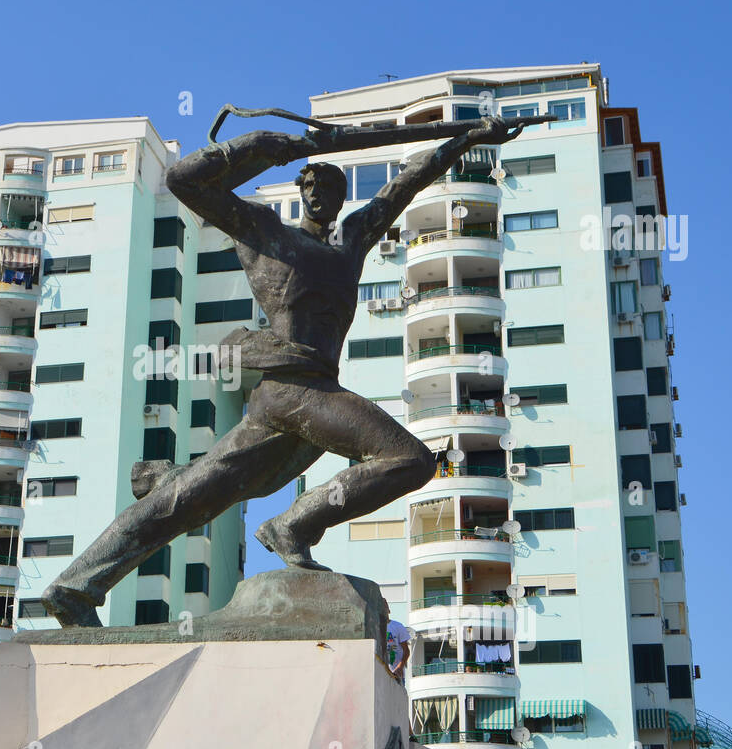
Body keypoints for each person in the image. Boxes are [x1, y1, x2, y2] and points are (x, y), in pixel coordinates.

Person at [42, 114, 539, 627]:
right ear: (300, 190)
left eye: (330, 185)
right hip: (292, 392)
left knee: (184, 500)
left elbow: (405, 182)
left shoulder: (350, 246)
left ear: (342, 197)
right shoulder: (265, 233)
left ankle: (75, 586)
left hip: (306, 402)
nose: (319, 192)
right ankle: (293, 526)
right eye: (311, 183)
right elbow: (184, 179)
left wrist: (469, 139)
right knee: (408, 459)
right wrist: (259, 145)